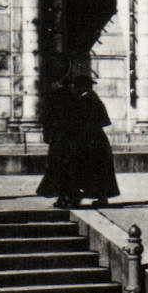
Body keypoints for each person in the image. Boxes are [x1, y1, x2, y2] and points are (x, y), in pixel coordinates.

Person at [37, 72, 120, 209]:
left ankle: (72, 198)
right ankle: (76, 197)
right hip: (89, 140)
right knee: (91, 171)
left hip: (89, 141)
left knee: (87, 170)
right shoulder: (84, 99)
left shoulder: (84, 99)